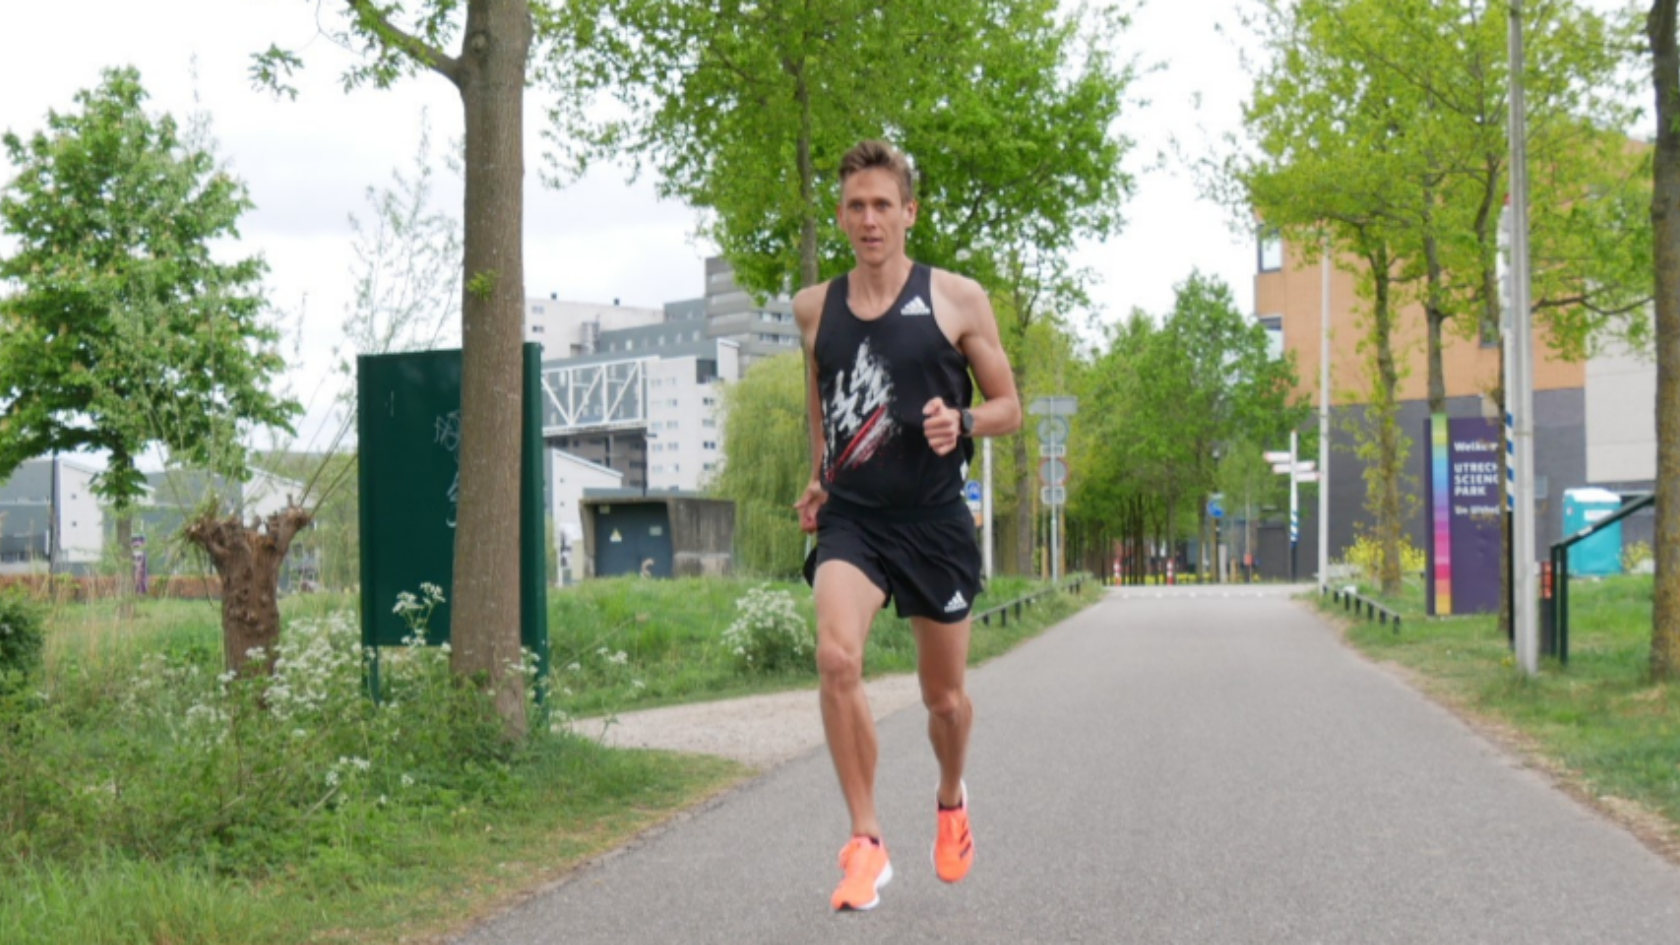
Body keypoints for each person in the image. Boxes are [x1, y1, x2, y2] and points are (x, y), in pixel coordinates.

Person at [792, 139, 1021, 912]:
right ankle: (865, 840)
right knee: (836, 658)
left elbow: (1010, 407)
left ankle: (951, 798)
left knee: (944, 699)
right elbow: (822, 403)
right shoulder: (813, 308)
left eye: (882, 205)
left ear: (909, 212)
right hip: (854, 520)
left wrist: (965, 420)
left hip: (934, 521)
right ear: (840, 215)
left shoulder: (957, 298)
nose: (869, 219)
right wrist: (818, 475)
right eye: (856, 206)